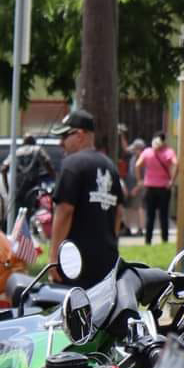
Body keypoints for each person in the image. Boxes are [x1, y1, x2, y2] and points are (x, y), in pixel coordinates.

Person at [48, 107, 123, 288]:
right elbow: (118, 213)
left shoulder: (71, 164)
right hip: (107, 261)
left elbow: (65, 210)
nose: (60, 143)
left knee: (70, 304)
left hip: (74, 261)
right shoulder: (110, 166)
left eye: (64, 136)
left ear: (80, 135)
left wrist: (53, 257)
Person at [138, 131, 177, 245]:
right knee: (163, 215)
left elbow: (137, 165)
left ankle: (148, 240)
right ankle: (164, 239)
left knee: (150, 215)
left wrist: (139, 180)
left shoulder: (147, 152)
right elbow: (176, 163)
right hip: (164, 187)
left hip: (149, 187)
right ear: (164, 141)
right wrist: (172, 180)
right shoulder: (168, 152)